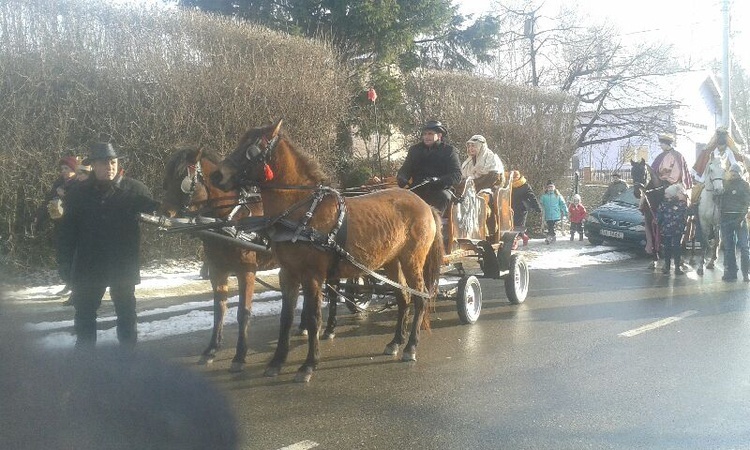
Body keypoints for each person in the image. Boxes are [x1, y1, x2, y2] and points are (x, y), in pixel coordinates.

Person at [57, 142, 159, 348]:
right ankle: (86, 361)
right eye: (104, 163)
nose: (109, 166)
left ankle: (128, 358)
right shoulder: (78, 193)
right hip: (89, 266)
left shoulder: (135, 190)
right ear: (93, 165)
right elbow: (66, 233)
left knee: (126, 314)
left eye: (113, 162)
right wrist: (65, 265)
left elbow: (161, 214)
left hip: (122, 265)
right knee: (85, 314)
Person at [397, 120, 462, 215]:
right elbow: (405, 170)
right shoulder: (414, 150)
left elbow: (457, 175)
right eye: (425, 134)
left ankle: (436, 226)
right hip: (417, 189)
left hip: (440, 190)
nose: (427, 137)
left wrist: (439, 180)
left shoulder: (449, 151)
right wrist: (402, 178)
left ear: (439, 135)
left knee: (442, 197)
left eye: (430, 134)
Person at [460, 134, 505, 239]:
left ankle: (487, 231)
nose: (470, 149)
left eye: (473, 146)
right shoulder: (468, 161)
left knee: (481, 199)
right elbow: (463, 176)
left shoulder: (491, 158)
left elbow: (494, 178)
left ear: (481, 146)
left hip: (489, 188)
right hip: (470, 188)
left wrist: (474, 185)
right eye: (469, 146)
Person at [719, 163, 750, 282]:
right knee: (728, 248)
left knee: (744, 247)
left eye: (735, 172)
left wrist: (741, 218)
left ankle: (746, 273)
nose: (733, 174)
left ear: (739, 173)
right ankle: (731, 273)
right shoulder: (724, 184)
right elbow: (720, 202)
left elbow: (747, 203)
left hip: (740, 220)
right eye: (731, 172)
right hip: (726, 220)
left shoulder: (745, 185)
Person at [656, 183, 689, 275]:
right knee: (667, 248)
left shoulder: (681, 204)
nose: (665, 195)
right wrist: (657, 221)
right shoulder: (663, 204)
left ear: (672, 194)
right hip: (666, 230)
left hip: (677, 230)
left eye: (667, 194)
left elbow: (684, 215)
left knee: (677, 248)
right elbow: (659, 216)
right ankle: (667, 266)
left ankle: (677, 267)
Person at [509, 170, 541, 246]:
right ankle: (524, 237)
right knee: (511, 226)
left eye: (515, 177)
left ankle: (515, 242)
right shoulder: (509, 185)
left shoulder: (525, 185)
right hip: (510, 208)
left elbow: (532, 197)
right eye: (512, 178)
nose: (514, 179)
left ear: (519, 177)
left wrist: (537, 207)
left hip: (521, 208)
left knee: (518, 226)